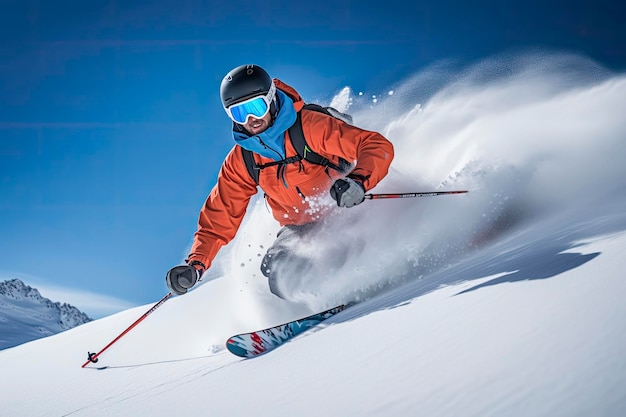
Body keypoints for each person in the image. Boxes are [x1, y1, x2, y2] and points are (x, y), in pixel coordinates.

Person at [165, 64, 394, 299]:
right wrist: (195, 264)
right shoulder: (242, 159)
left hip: (346, 206)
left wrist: (358, 180)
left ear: (271, 99)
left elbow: (375, 145)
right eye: (239, 113)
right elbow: (218, 219)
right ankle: (326, 305)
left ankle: (369, 284)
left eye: (256, 107)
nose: (251, 119)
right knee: (279, 269)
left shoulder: (308, 127)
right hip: (301, 227)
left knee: (351, 243)